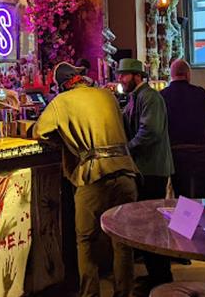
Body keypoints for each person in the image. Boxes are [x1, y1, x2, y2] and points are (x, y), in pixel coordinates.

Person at [32, 62, 139, 297]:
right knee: (122, 241)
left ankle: (90, 294)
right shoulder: (107, 95)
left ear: (61, 85)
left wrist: (64, 140)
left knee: (86, 241)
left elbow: (38, 132)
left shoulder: (61, 102)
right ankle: (125, 293)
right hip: (125, 171)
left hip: (94, 175)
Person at [117, 58, 174, 294]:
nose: (120, 79)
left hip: (153, 169)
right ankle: (156, 274)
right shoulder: (137, 97)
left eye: (124, 75)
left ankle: (162, 277)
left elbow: (149, 132)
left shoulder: (150, 97)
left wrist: (126, 149)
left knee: (153, 224)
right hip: (146, 168)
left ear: (137, 76)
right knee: (148, 223)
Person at [160, 59, 205, 199]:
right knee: (201, 193)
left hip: (175, 151)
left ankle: (183, 219)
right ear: (188, 74)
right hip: (200, 151)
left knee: (180, 194)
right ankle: (201, 219)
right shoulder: (200, 93)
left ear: (171, 75)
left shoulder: (162, 95)